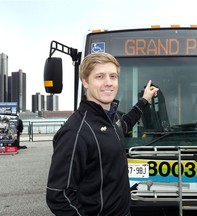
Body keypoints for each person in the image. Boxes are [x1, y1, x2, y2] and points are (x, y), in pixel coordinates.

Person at [46, 52, 158, 216]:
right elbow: (58, 195)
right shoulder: (75, 131)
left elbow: (126, 122)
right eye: (100, 76)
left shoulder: (112, 118)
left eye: (113, 76)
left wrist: (145, 99)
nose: (108, 83)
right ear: (85, 81)